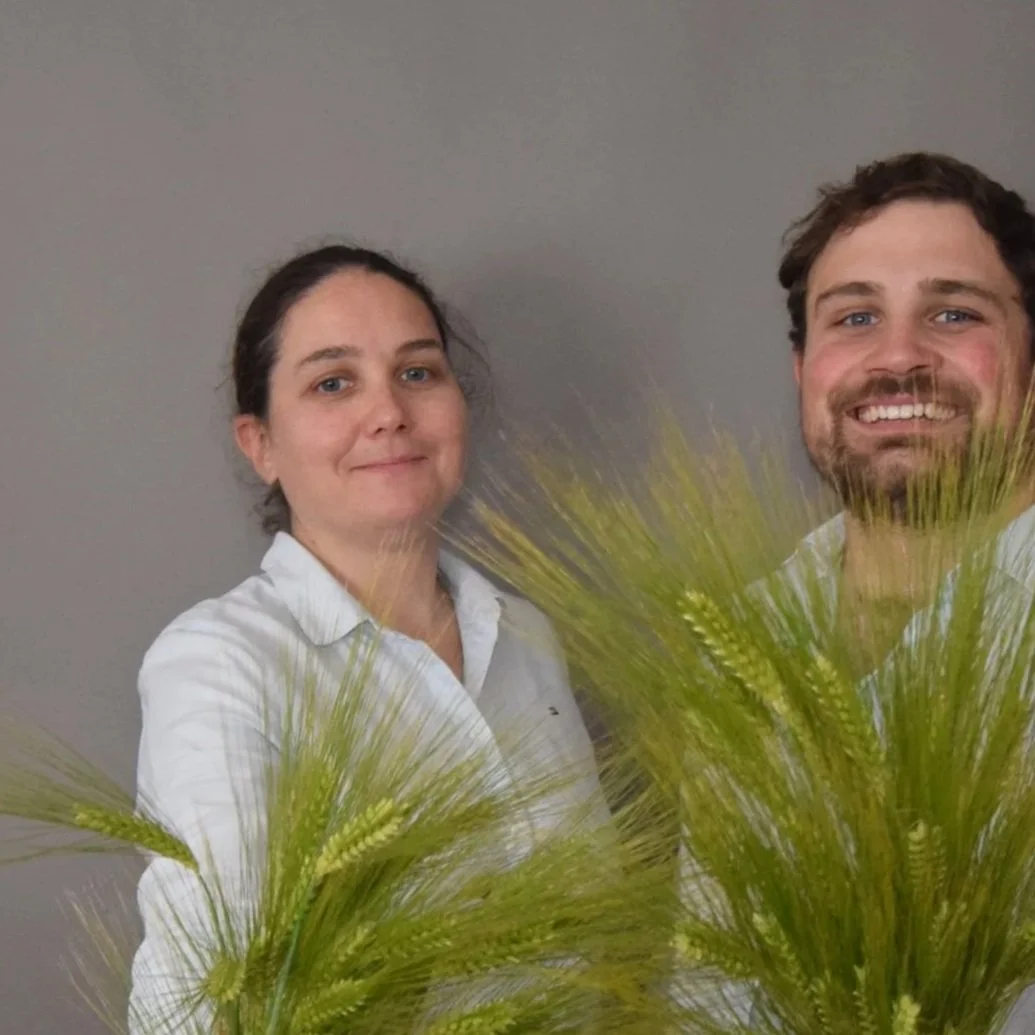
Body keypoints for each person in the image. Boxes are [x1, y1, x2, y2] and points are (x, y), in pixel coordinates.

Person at [128, 244, 604, 1031]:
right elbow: (200, 987)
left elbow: (595, 945)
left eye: (417, 372)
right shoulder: (221, 662)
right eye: (332, 383)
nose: (387, 411)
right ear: (260, 445)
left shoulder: (527, 638)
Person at [776, 152, 1035, 1028]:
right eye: (853, 317)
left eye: (952, 312)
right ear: (800, 370)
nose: (896, 358)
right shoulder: (741, 635)